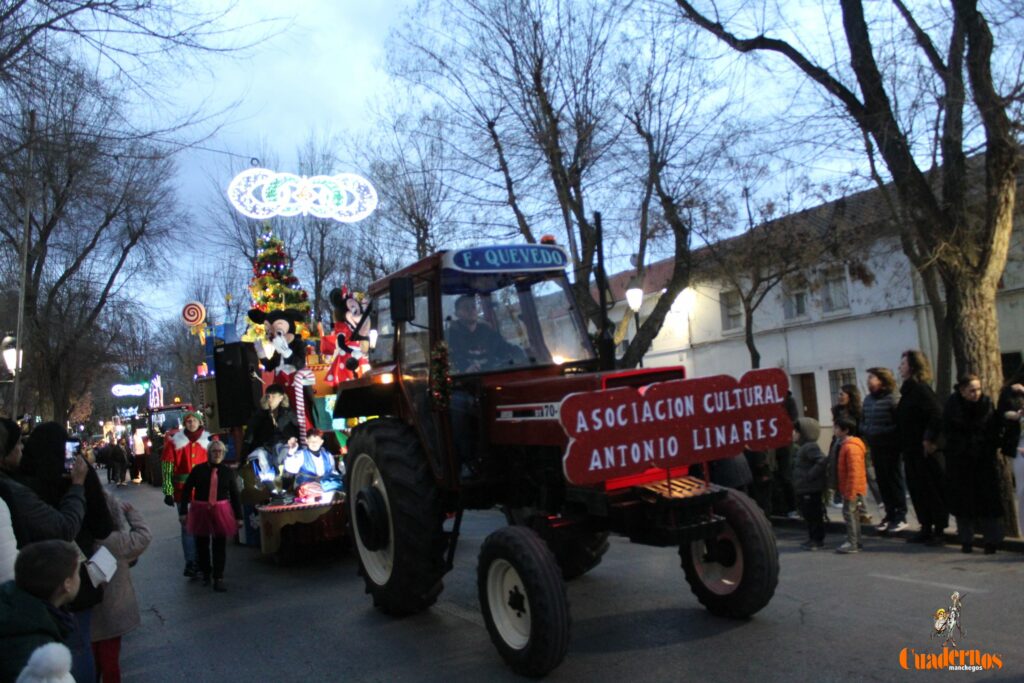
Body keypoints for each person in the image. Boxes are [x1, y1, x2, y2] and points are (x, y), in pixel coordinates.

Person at [21, 423, 113, 683]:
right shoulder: (78, 474)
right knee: (78, 645)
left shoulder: (23, 480)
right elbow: (102, 525)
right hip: (75, 572)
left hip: (33, 575)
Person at [0, 539, 81, 683]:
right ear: (67, 584)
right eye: (77, 573)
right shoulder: (35, 646)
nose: (79, 579)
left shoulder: (14, 606)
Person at [90, 493, 150, 683]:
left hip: (88, 615)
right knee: (109, 661)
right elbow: (168, 464)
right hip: (111, 613)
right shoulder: (116, 540)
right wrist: (168, 491)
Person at [942, 375, 1004, 554]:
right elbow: (948, 429)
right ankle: (966, 540)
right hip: (960, 461)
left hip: (983, 459)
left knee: (987, 502)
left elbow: (993, 428)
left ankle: (991, 541)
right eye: (972, 390)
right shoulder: (952, 405)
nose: (976, 393)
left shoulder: (986, 404)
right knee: (964, 503)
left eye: (978, 389)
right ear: (962, 391)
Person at [897, 350, 947, 545]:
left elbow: (937, 414)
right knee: (918, 490)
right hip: (910, 450)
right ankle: (925, 526)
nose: (900, 367)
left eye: (903, 364)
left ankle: (939, 529)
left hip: (924, 451)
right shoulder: (907, 391)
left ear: (912, 366)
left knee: (932, 490)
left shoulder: (921, 389)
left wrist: (929, 439)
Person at [179, 439, 241, 592]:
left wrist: (239, 517)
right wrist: (183, 512)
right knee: (202, 544)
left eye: (220, 451)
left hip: (221, 510)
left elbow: (235, 495)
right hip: (201, 509)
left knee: (219, 545)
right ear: (209, 453)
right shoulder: (198, 470)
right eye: (214, 451)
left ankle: (218, 577)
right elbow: (187, 490)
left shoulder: (227, 472)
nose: (217, 454)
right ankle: (206, 571)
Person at [161, 410, 211, 579]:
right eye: (188, 421)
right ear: (185, 423)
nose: (191, 423)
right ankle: (191, 562)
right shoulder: (175, 442)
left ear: (199, 422)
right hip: (183, 492)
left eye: (193, 421)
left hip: (204, 491)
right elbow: (167, 467)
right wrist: (168, 491)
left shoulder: (208, 441)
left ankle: (203, 561)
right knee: (188, 527)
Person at [861, 367, 906, 533]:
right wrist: (867, 430)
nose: (869, 380)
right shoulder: (868, 400)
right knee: (882, 481)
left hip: (890, 445)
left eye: (872, 377)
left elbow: (898, 423)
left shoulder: (893, 398)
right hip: (875, 445)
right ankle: (889, 514)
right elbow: (863, 420)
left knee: (894, 480)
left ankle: (900, 515)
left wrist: (882, 431)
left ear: (882, 380)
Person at [244, 384, 299, 496]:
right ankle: (270, 487)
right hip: (266, 446)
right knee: (260, 455)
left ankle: (284, 487)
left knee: (284, 453)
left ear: (281, 397)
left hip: (283, 445)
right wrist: (243, 453)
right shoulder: (260, 414)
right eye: (268, 396)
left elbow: (297, 429)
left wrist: (293, 439)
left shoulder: (288, 413)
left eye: (274, 396)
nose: (270, 399)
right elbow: (250, 433)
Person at [447, 294, 523, 373]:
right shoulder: (451, 335)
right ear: (456, 313)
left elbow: (504, 348)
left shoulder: (488, 332)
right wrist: (465, 368)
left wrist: (519, 354)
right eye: (466, 307)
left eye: (473, 306)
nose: (471, 310)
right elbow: (453, 358)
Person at [996, 367, 1024, 537]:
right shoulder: (1011, 391)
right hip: (1021, 442)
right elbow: (1001, 414)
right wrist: (1014, 415)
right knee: (1022, 490)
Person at [792, 417, 827, 550]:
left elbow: (822, 461)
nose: (794, 434)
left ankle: (817, 540)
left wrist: (809, 475)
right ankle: (812, 538)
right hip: (804, 488)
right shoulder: (803, 447)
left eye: (796, 431)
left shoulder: (810, 447)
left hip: (810, 489)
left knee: (814, 515)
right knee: (808, 515)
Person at [834, 417, 867, 554]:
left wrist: (850, 490)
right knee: (853, 514)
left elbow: (854, 471)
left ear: (845, 430)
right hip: (851, 486)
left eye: (836, 427)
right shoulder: (846, 445)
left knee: (849, 514)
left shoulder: (850, 447)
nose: (834, 430)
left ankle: (852, 542)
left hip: (852, 487)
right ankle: (856, 541)